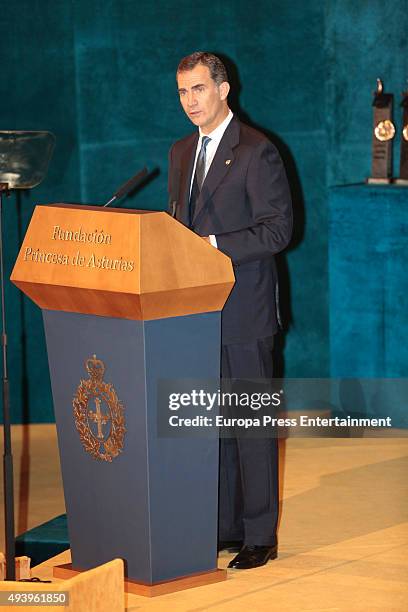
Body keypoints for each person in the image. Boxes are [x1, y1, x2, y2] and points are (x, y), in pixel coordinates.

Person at [168, 52, 292, 570]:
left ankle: (260, 535)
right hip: (197, 310)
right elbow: (178, 225)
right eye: (182, 92)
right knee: (213, 423)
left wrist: (212, 243)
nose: (190, 101)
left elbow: (277, 231)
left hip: (245, 310)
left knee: (250, 423)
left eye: (198, 89)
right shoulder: (180, 152)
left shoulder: (257, 152)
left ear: (224, 89)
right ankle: (225, 525)